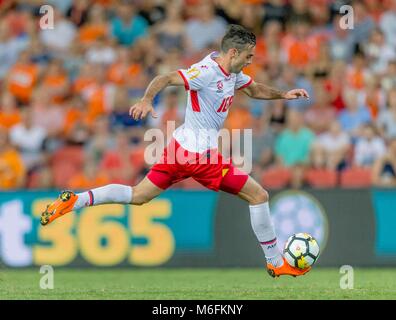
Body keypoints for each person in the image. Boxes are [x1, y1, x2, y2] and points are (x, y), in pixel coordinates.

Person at [40, 25, 310, 278]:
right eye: (249, 56)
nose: (251, 61)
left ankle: (76, 200)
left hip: (178, 149)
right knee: (259, 196)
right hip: (200, 157)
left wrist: (284, 95)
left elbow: (254, 89)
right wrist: (146, 99)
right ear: (234, 53)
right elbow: (165, 77)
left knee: (138, 195)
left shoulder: (234, 72)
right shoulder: (206, 72)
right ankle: (276, 263)